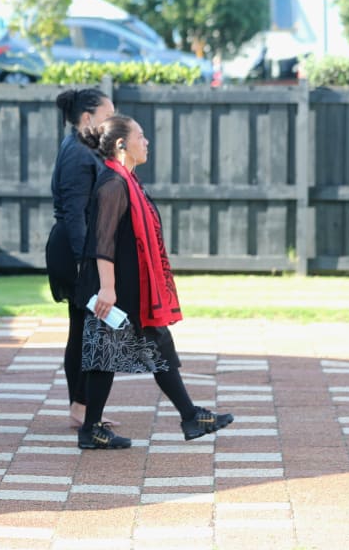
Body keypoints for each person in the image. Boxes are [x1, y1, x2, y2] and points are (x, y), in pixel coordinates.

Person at [74, 116, 233, 449]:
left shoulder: (128, 181)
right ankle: (94, 429)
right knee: (111, 354)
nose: (146, 142)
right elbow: (102, 242)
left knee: (153, 347)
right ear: (122, 145)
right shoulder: (113, 184)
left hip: (133, 288)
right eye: (140, 136)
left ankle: (187, 416)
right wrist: (107, 288)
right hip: (114, 289)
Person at [46, 88, 116, 430]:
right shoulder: (76, 152)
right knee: (89, 328)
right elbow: (74, 215)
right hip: (75, 251)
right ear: (87, 118)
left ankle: (83, 405)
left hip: (82, 248)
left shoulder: (83, 147)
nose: (112, 122)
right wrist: (83, 261)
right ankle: (81, 406)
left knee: (88, 328)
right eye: (107, 115)